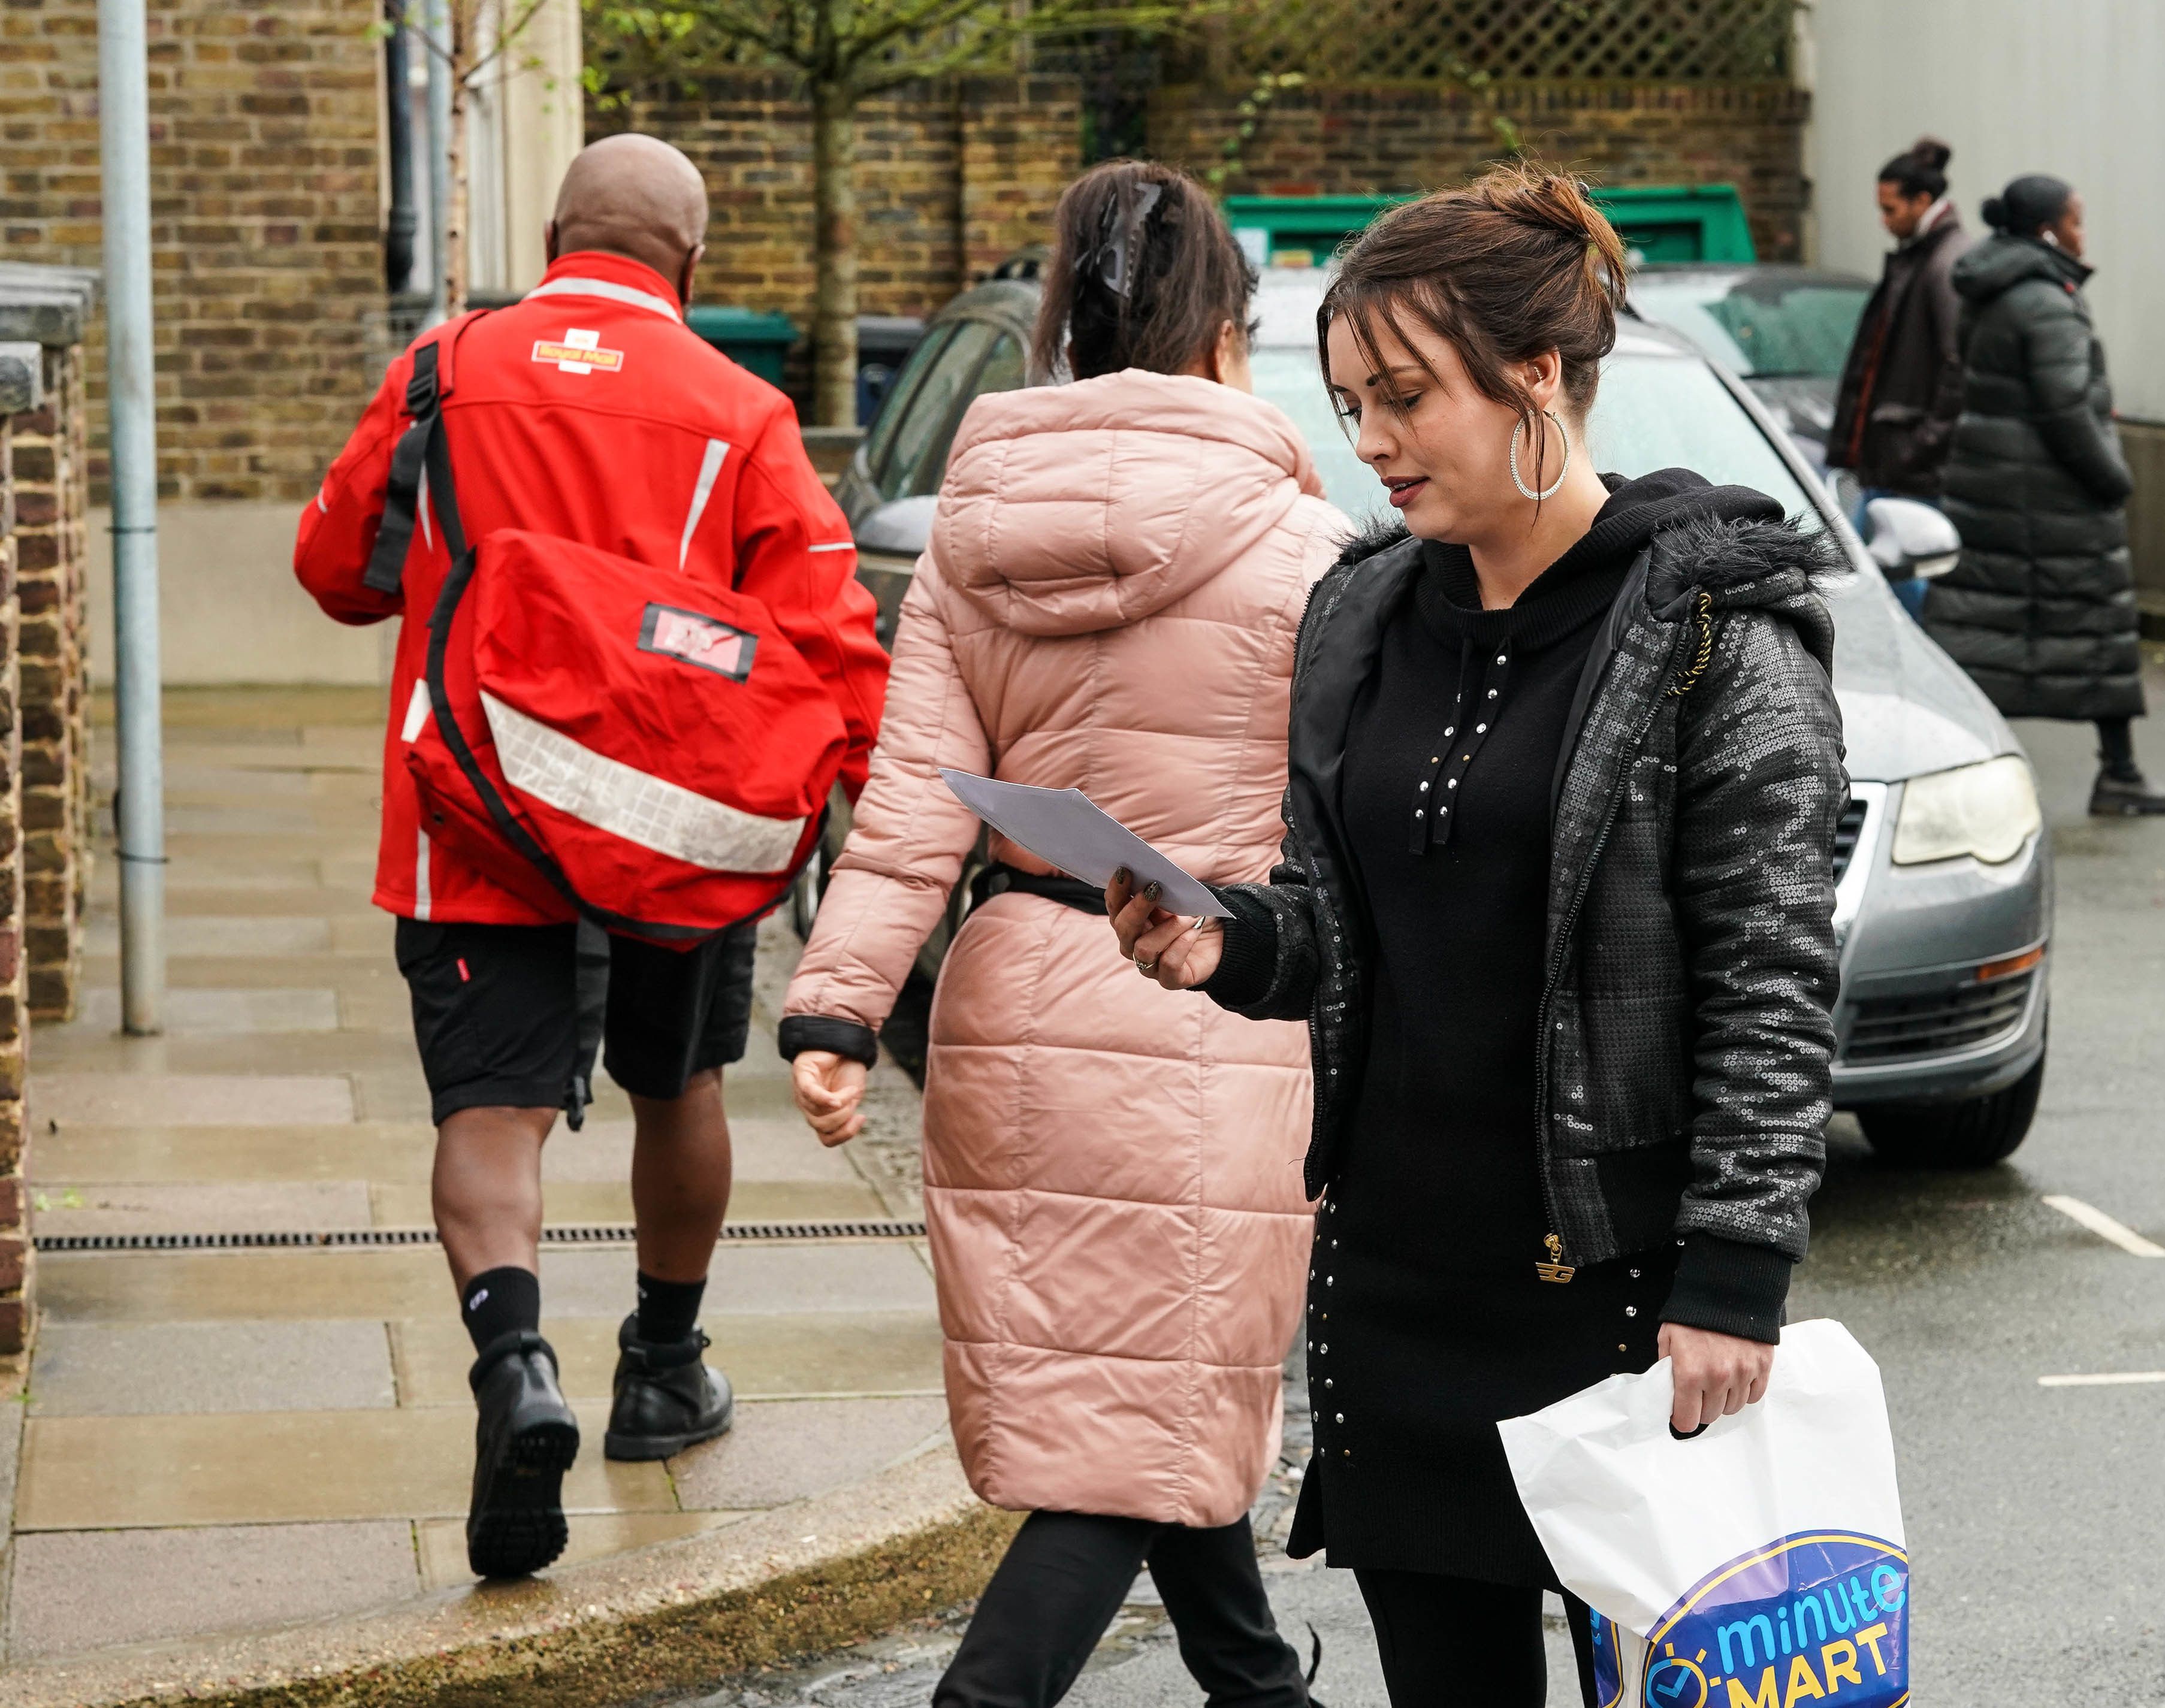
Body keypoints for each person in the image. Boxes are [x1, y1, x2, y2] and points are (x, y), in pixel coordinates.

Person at [1107, 164, 1847, 1708]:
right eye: (1347, 399)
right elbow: (1340, 922)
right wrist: (1226, 944)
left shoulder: (1714, 625)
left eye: (1402, 398)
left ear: (1536, 379)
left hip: (1622, 1299)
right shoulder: (1363, 611)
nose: (1367, 442)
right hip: (1399, 1285)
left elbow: (1775, 979)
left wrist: (1737, 1268)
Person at [783, 158, 1342, 1708]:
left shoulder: (972, 536)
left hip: (1013, 998)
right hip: (1210, 1007)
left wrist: (837, 1012)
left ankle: (1257, 1686)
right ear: (1225, 326)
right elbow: (1351, 829)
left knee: (1144, 1396)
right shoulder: (1304, 546)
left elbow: (907, 808)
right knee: (1141, 1426)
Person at [295, 134, 887, 1580]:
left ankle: (514, 1366)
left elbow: (335, 573)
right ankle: (662, 1370)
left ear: (555, 233)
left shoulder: (443, 368)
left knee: (491, 1117)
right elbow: (827, 642)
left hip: (470, 825)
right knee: (678, 1085)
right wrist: (861, 821)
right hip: (665, 836)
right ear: (692, 260)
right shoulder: (741, 414)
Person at [1924, 174, 2165, 815]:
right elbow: (2065, 408)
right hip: (2053, 501)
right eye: (2075, 219)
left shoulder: (1990, 290)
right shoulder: (2045, 299)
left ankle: (1969, 778)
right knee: (2095, 630)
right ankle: (2119, 775)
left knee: (1984, 631)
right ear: (2047, 229)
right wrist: (2113, 479)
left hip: (1989, 488)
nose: (2081, 232)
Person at [1826, 136, 1968, 621]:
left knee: (1894, 603)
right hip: (1892, 463)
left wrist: (1919, 446)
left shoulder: (1942, 263)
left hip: (1907, 467)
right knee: (1871, 587)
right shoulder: (1923, 256)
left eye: (1890, 209)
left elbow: (1958, 368)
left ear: (1922, 202)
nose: (1884, 220)